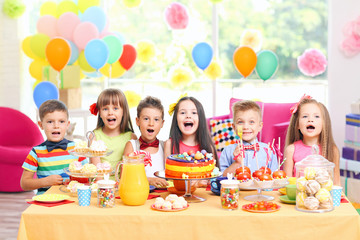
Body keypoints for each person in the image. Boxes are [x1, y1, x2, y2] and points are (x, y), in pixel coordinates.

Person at [20, 100, 87, 194]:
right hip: (46, 202)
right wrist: (45, 182)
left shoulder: (77, 149)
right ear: (41, 125)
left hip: (71, 200)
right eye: (50, 122)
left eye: (61, 121)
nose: (56, 126)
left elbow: (87, 176)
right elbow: (24, 183)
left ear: (67, 125)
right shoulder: (36, 152)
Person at [283, 95, 340, 185]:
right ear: (297, 124)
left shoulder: (332, 150)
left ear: (324, 123)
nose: (310, 120)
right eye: (305, 116)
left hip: (324, 198)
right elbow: (287, 184)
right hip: (298, 198)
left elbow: (336, 184)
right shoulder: (291, 150)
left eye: (316, 116)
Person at [164, 96, 218, 188]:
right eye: (183, 112)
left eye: (194, 112)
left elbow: (212, 177)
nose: (188, 116)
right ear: (176, 119)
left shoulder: (208, 147)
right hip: (179, 194)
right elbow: (169, 177)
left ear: (200, 118)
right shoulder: (169, 144)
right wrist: (193, 184)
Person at [219, 100, 278, 176]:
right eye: (240, 122)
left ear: (260, 126)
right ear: (234, 127)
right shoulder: (227, 151)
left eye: (251, 122)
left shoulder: (269, 151)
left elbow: (274, 178)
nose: (245, 127)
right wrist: (236, 163)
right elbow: (222, 178)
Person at [89, 88, 137, 179]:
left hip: (123, 185)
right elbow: (97, 173)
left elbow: (131, 170)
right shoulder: (94, 136)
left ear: (123, 111)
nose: (110, 113)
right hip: (100, 187)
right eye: (105, 109)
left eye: (115, 108)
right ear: (100, 113)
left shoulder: (131, 137)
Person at [123, 96, 168, 188]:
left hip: (162, 195)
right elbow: (125, 176)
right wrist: (150, 180)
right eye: (146, 119)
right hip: (138, 193)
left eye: (156, 119)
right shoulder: (131, 145)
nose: (151, 123)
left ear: (162, 123)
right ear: (137, 121)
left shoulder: (165, 146)